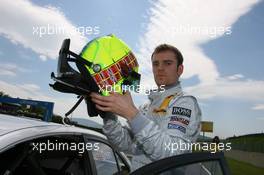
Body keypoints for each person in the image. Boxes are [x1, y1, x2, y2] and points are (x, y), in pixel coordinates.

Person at [90, 44, 202, 171]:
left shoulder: (185, 101)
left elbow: (171, 153)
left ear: (180, 69)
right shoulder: (145, 107)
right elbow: (125, 145)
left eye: (167, 63)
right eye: (155, 64)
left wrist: (131, 113)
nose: (160, 68)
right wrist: (108, 113)